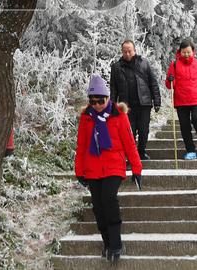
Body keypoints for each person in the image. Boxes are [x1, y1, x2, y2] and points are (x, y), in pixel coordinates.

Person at [75, 74, 143, 262]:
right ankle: (107, 243)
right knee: (97, 206)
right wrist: (79, 171)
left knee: (108, 198)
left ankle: (116, 243)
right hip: (92, 166)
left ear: (108, 98)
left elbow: (129, 143)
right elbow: (81, 145)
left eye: (100, 100)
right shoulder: (86, 117)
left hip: (114, 165)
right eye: (93, 101)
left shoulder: (118, 115)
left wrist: (137, 169)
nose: (97, 104)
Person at [165, 40, 197, 160]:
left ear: (193, 52)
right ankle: (190, 150)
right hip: (181, 100)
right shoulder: (174, 64)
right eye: (184, 52)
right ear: (180, 52)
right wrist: (170, 79)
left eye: (189, 52)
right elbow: (169, 85)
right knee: (184, 126)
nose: (186, 54)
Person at [109, 40, 161, 161]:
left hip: (144, 104)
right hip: (126, 106)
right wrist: (112, 106)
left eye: (130, 51)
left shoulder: (144, 63)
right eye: (125, 51)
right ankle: (131, 156)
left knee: (144, 131)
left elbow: (153, 83)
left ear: (135, 51)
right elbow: (113, 89)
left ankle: (141, 152)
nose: (127, 54)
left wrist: (157, 100)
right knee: (129, 133)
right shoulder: (116, 67)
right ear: (122, 52)